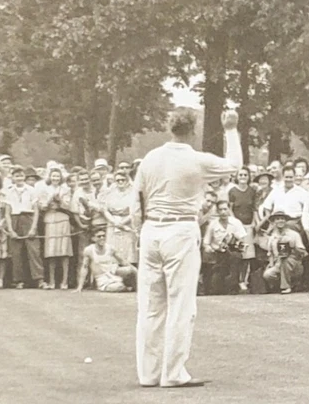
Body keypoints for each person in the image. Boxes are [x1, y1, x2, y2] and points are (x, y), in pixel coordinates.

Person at [130, 108, 243, 388]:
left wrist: (139, 232)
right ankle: (173, 373)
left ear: (171, 129)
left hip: (151, 230)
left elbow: (136, 201)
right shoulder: (195, 159)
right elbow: (235, 165)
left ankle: (149, 373)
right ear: (192, 130)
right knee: (181, 304)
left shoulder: (150, 159)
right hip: (179, 230)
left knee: (151, 306)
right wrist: (230, 129)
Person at [6, 166, 44, 289]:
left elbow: (36, 211)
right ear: (12, 178)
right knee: (16, 252)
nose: (19, 178)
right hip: (15, 219)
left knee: (34, 251)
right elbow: (7, 213)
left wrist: (33, 227)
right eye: (16, 176)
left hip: (29, 218)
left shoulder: (31, 190)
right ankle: (19, 280)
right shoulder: (9, 191)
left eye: (21, 175)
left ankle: (39, 279)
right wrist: (11, 230)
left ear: (24, 177)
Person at [201, 200, 247, 295]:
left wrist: (237, 244)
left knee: (235, 257)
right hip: (218, 255)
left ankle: (234, 287)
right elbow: (206, 242)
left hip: (233, 252)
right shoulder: (213, 224)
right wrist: (209, 248)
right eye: (220, 210)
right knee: (216, 287)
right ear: (217, 212)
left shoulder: (236, 222)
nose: (223, 212)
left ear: (229, 210)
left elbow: (242, 240)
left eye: (225, 209)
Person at [41, 168, 74, 290]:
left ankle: (64, 281)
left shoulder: (66, 190)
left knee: (64, 251)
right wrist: (50, 199)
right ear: (50, 177)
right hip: (50, 219)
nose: (55, 179)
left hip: (63, 219)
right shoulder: (45, 189)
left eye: (58, 176)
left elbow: (68, 206)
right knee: (51, 252)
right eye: (53, 176)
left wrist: (60, 201)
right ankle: (52, 281)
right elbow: (42, 206)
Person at [76, 227, 136, 292]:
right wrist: (80, 287)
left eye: (103, 236)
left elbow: (122, 261)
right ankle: (127, 288)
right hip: (102, 278)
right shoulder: (89, 250)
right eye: (99, 236)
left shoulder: (110, 248)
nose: (102, 238)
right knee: (118, 287)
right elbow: (84, 268)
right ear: (93, 239)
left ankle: (139, 288)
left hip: (114, 271)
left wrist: (135, 270)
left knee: (130, 270)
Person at [262, 210, 307, 295]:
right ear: (274, 222)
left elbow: (304, 253)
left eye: (282, 219)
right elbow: (270, 253)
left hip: (294, 264)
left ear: (286, 221)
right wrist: (271, 263)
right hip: (278, 264)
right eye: (277, 219)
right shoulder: (273, 237)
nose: (280, 221)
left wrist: (293, 247)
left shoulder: (294, 235)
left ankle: (286, 286)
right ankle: (281, 285)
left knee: (285, 260)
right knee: (267, 274)